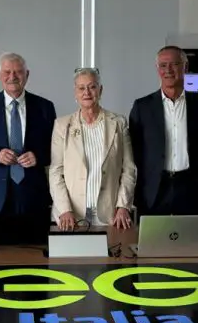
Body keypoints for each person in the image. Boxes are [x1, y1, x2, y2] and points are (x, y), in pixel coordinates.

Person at [0, 52, 56, 220]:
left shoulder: (45, 107)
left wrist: (38, 156)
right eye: (7, 72)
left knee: (34, 238)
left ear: (27, 74)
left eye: (18, 72)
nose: (12, 77)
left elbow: (57, 149)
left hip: (33, 195)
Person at [129, 45, 198, 217]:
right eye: (163, 65)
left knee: (189, 234)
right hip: (153, 189)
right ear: (157, 69)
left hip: (189, 188)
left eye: (174, 64)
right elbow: (134, 149)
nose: (168, 70)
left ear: (185, 67)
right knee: (153, 234)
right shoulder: (142, 107)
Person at [50, 68, 136, 230]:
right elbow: (56, 171)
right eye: (81, 88)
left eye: (92, 87)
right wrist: (65, 209)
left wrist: (123, 206)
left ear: (100, 90)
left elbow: (129, 169)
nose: (87, 92)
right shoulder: (62, 125)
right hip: (72, 216)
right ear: (75, 92)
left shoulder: (119, 123)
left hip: (111, 215)